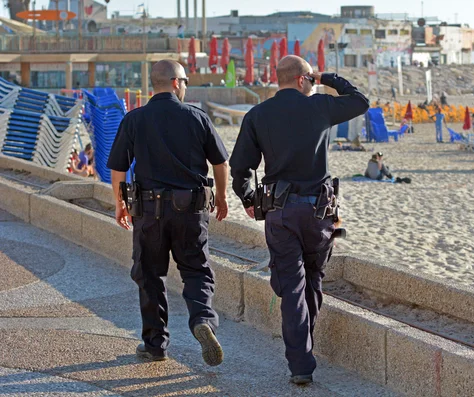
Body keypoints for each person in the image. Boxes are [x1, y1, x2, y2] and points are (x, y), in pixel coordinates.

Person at [229, 55, 369, 385]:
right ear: (303, 80)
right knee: (314, 280)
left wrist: (248, 199)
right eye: (309, 78)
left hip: (280, 213)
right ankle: (305, 348)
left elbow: (240, 169)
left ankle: (300, 364)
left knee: (291, 286)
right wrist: (326, 77)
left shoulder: (258, 114)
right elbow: (360, 101)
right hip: (319, 213)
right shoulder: (319, 107)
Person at [107, 60, 229, 365]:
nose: (186, 85)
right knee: (196, 270)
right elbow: (221, 163)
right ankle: (202, 320)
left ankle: (155, 345)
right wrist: (223, 198)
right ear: (176, 83)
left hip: (148, 211)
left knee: (149, 274)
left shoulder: (135, 119)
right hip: (190, 210)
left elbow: (118, 168)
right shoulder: (197, 117)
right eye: (185, 80)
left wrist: (120, 203)